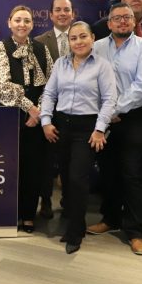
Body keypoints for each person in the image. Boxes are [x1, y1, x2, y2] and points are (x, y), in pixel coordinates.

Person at [87, 2, 142, 256]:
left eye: (127, 17)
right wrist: (105, 112)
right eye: (117, 18)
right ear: (109, 23)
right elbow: (89, 80)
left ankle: (135, 231)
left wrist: (115, 109)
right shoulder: (96, 47)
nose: (122, 21)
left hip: (134, 116)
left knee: (131, 173)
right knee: (108, 170)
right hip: (104, 118)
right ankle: (110, 219)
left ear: (134, 21)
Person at [40, 21, 117, 254]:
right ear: (69, 42)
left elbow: (110, 100)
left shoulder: (102, 66)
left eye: (83, 36)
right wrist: (46, 121)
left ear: (92, 38)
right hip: (61, 126)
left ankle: (75, 232)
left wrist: (100, 129)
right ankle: (74, 222)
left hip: (87, 128)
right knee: (65, 177)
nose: (79, 42)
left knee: (77, 179)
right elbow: (49, 93)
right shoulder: (60, 64)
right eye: (73, 38)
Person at [0, 5, 54, 233]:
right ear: (9, 23)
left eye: (27, 20)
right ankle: (11, 213)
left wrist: (39, 112)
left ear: (32, 24)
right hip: (10, 117)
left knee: (33, 168)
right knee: (9, 167)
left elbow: (51, 84)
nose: (22, 24)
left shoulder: (41, 48)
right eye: (17, 20)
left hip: (37, 119)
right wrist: (30, 108)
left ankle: (28, 215)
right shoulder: (1, 47)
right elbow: (2, 85)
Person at [34, 0, 75, 218]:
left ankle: (69, 202)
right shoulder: (39, 42)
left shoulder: (82, 39)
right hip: (48, 109)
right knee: (46, 161)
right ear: (50, 15)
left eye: (66, 10)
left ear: (73, 14)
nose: (62, 13)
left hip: (75, 110)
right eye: (57, 10)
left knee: (70, 160)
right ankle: (46, 202)